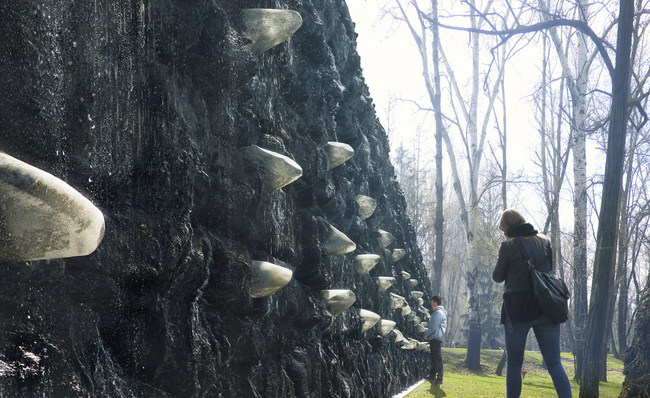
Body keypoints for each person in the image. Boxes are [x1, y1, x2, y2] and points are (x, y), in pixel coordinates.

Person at [493, 209, 572, 398]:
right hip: (547, 306)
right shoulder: (544, 241)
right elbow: (548, 270)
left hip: (518, 309)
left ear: (507, 227)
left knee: (514, 364)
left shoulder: (508, 245)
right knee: (554, 363)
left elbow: (497, 277)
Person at [424, 295, 447, 385]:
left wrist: (427, 335)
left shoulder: (438, 313)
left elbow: (433, 327)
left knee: (437, 359)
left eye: (432, 301)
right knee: (435, 358)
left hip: (435, 338)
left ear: (435, 302)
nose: (430, 302)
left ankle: (439, 378)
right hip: (436, 338)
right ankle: (432, 375)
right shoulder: (440, 312)